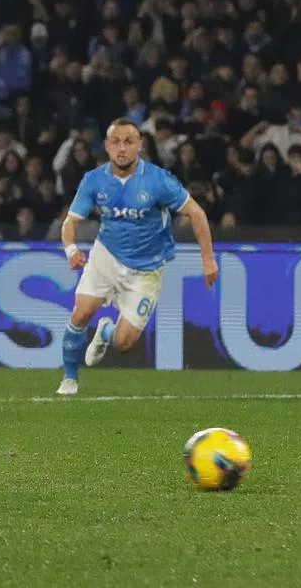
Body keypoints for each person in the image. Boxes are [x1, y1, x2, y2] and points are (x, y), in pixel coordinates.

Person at [57, 118, 219, 395]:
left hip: (146, 268)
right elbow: (71, 221)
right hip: (106, 256)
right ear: (107, 147)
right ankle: (69, 378)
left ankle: (106, 332)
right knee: (82, 312)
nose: (122, 148)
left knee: (124, 343)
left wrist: (208, 259)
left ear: (140, 146)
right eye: (116, 142)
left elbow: (197, 213)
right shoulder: (94, 180)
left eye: (128, 142)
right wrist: (71, 249)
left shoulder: (159, 180)